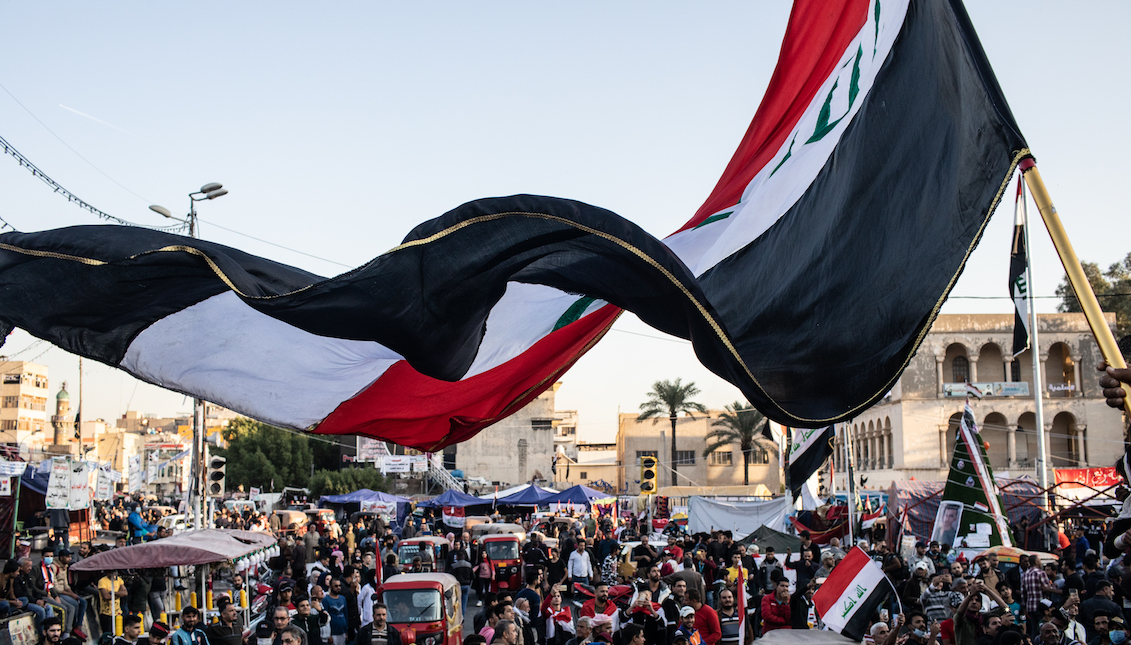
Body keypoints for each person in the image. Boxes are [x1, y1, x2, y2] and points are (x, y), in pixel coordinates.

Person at [323, 578, 349, 645]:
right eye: (336, 586)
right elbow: (326, 618)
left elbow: (346, 614)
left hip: (342, 632)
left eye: (339, 586)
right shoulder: (326, 600)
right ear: (330, 586)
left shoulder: (343, 598)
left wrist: (346, 631)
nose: (338, 587)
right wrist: (329, 634)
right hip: (333, 633)